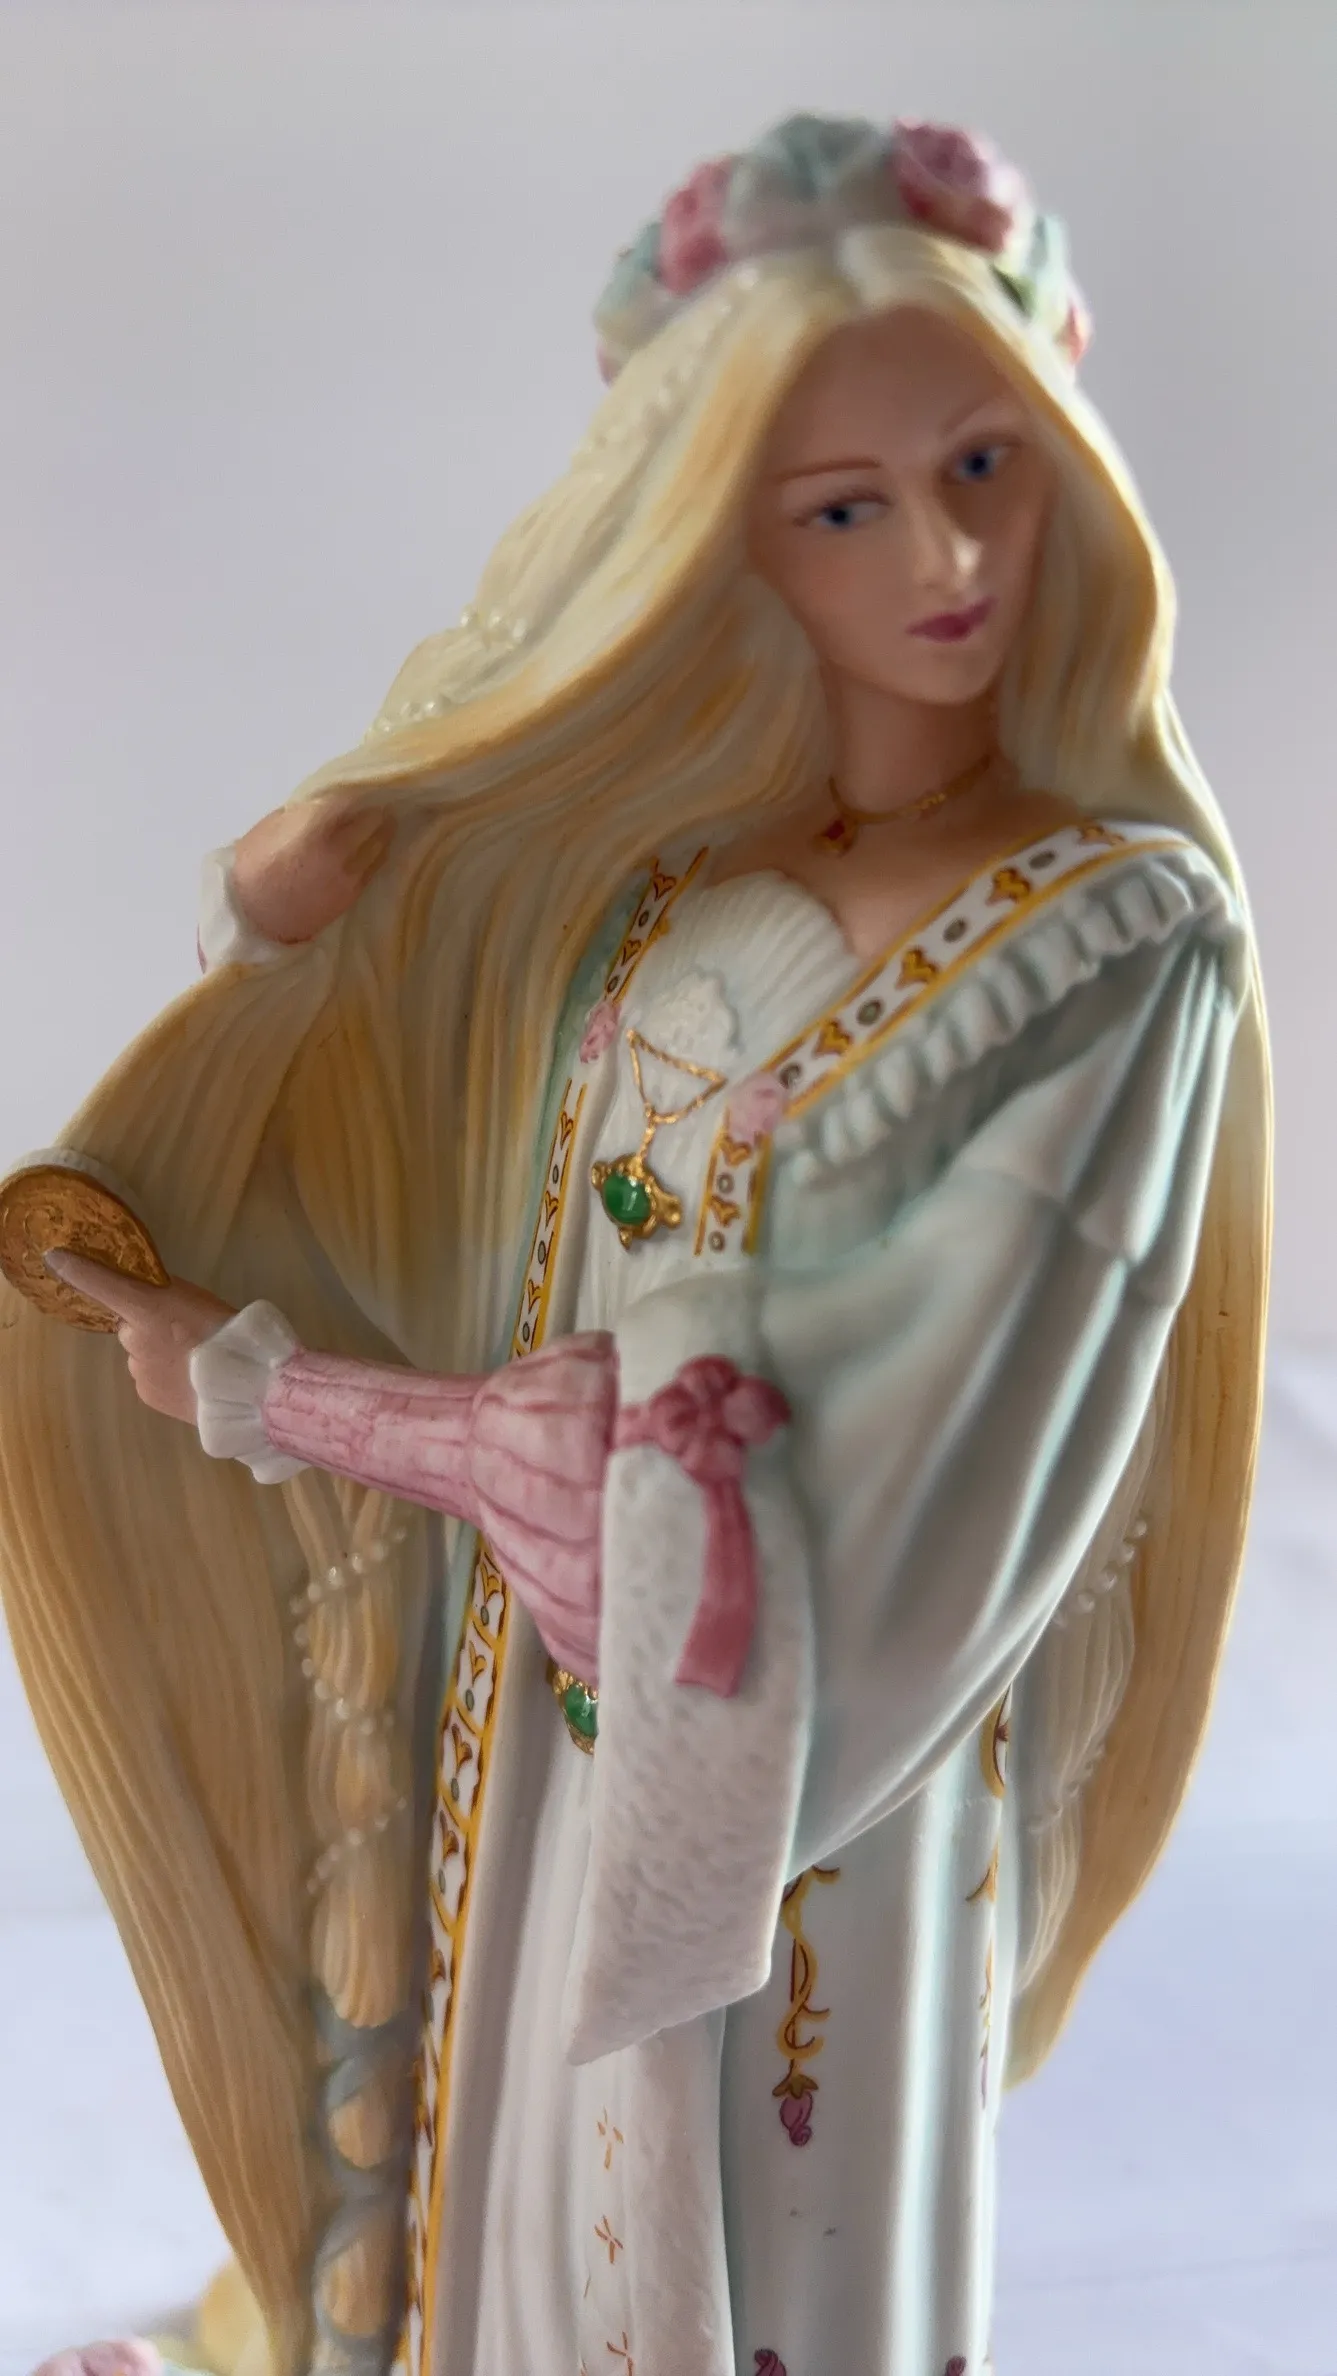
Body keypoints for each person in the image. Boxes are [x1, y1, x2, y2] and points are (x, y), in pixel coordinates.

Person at [6, 110, 1270, 2376]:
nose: (943, 556)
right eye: (843, 507)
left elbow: (811, 1459)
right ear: (729, 538)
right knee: (515, 2209)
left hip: (795, 1778)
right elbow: (428, 1161)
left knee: (733, 2214)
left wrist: (283, 1391)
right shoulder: (675, 886)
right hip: (546, 1732)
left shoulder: (1111, 946)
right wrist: (287, 902)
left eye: (983, 467)